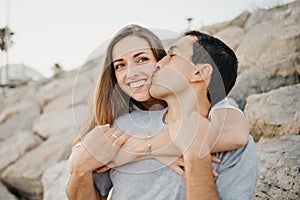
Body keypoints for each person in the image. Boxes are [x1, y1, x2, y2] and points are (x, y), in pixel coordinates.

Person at [66, 25, 252, 200]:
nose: (131, 73)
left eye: (143, 59)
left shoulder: (222, 122)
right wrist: (79, 167)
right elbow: (83, 172)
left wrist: (145, 148)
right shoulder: (123, 124)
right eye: (119, 65)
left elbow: (235, 132)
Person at [150, 30, 258, 199]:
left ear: (200, 72)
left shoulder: (235, 148)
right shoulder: (129, 124)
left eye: (172, 55)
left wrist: (195, 155)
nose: (158, 63)